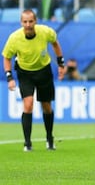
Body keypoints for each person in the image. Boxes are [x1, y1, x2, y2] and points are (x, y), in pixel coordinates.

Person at [2, 9, 66, 152]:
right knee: (28, 104)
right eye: (25, 22)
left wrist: (61, 63)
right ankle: (27, 143)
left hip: (43, 71)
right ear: (21, 22)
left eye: (31, 21)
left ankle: (49, 139)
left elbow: (55, 43)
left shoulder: (45, 32)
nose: (28, 24)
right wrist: (9, 77)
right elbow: (6, 57)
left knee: (46, 106)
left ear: (35, 21)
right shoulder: (14, 38)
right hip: (25, 73)